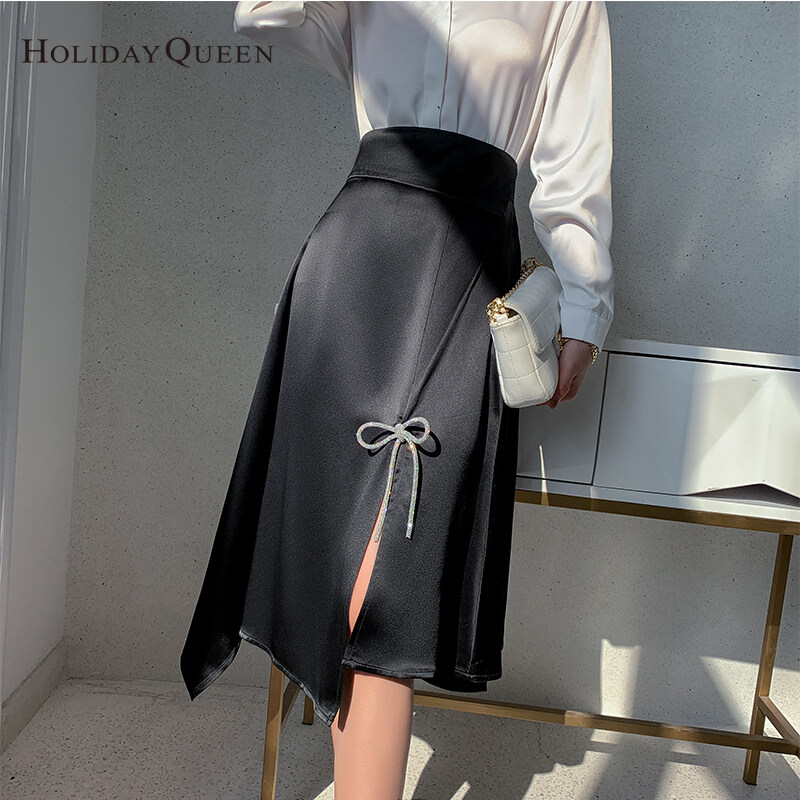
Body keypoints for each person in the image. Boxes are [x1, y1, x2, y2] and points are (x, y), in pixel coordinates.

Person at [181, 2, 614, 798]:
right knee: (343, 562)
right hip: (357, 267)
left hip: (468, 276)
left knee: (394, 567)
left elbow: (574, 159)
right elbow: (264, 15)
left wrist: (586, 307)